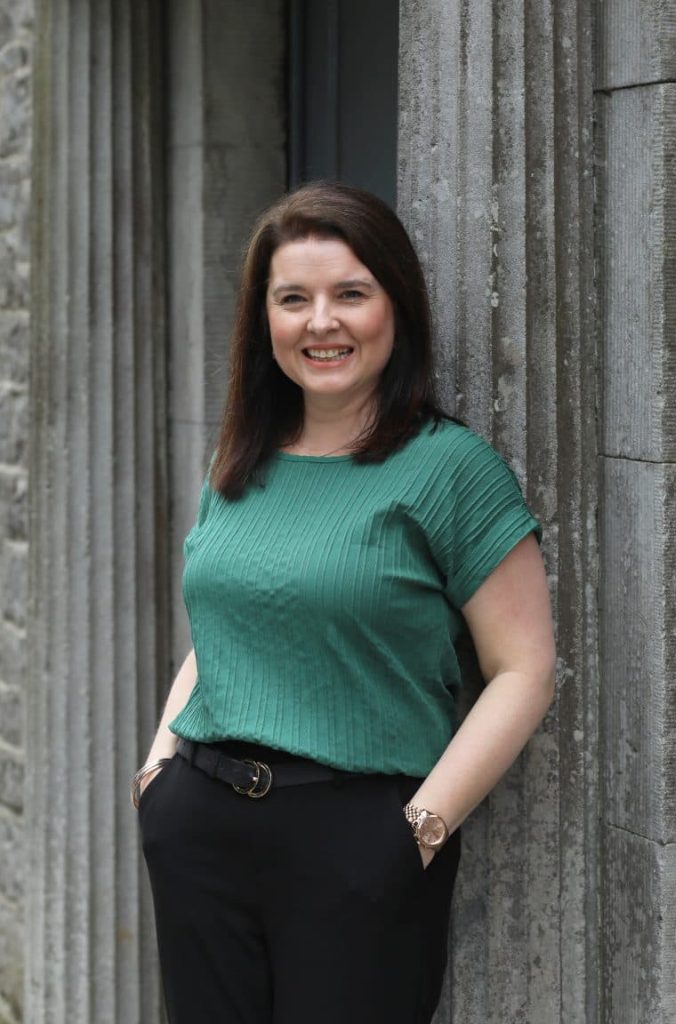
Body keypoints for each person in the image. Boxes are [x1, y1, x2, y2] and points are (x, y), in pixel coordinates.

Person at [133, 181, 556, 1024]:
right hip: (201, 827)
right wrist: (156, 774)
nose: (319, 322)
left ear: (395, 307)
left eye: (349, 295)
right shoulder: (240, 460)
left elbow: (524, 668)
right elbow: (222, 630)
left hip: (358, 841)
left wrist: (418, 832)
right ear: (266, 322)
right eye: (293, 299)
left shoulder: (449, 470)